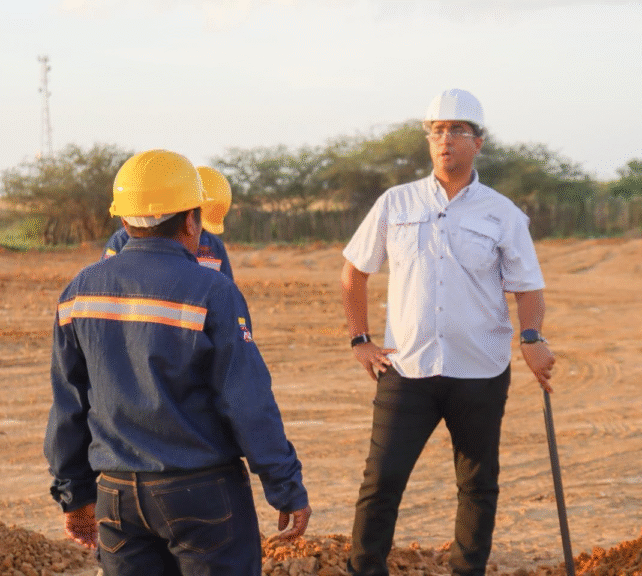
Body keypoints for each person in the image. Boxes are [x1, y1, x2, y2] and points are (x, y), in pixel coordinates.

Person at [44, 149, 311, 576]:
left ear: (123, 218)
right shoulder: (213, 291)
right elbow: (246, 400)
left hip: (115, 495)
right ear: (191, 219)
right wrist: (285, 486)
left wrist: (75, 496)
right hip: (201, 491)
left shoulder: (79, 291)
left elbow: (69, 404)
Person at [340, 89, 555, 576]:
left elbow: (528, 290)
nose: (445, 140)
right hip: (406, 367)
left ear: (479, 142)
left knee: (478, 485)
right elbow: (354, 271)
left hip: (479, 371)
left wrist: (532, 339)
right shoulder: (395, 203)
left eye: (458, 130)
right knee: (381, 482)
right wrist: (360, 340)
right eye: (436, 130)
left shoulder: (502, 213)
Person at [102, 165, 234, 280]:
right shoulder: (121, 240)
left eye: (203, 229)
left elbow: (224, 293)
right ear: (188, 217)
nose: (195, 233)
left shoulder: (215, 246)